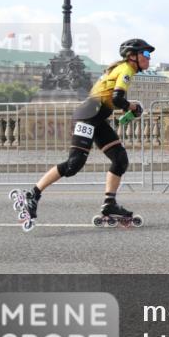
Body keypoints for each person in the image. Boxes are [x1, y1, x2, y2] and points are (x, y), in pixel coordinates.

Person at [12, 38, 155, 231]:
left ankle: (109, 204)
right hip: (88, 115)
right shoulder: (126, 70)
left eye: (149, 55)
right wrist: (133, 106)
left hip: (96, 117)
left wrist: (128, 108)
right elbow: (117, 98)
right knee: (73, 164)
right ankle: (33, 194)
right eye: (145, 54)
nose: (148, 58)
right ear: (133, 56)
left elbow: (111, 98)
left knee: (120, 159)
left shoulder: (121, 69)